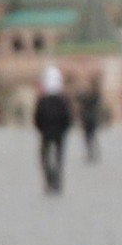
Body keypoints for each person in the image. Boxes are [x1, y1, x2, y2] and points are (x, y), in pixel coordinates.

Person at [32, 66, 72, 195]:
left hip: (46, 133)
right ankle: (57, 181)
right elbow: (68, 117)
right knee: (58, 158)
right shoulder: (63, 100)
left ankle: (49, 180)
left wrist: (41, 129)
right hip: (60, 133)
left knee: (45, 157)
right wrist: (64, 129)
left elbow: (37, 117)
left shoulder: (43, 100)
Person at [76, 73, 103, 163]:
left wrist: (81, 89)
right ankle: (92, 152)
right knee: (91, 136)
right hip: (92, 118)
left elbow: (78, 98)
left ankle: (90, 152)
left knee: (88, 137)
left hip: (87, 118)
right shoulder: (95, 95)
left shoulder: (88, 96)